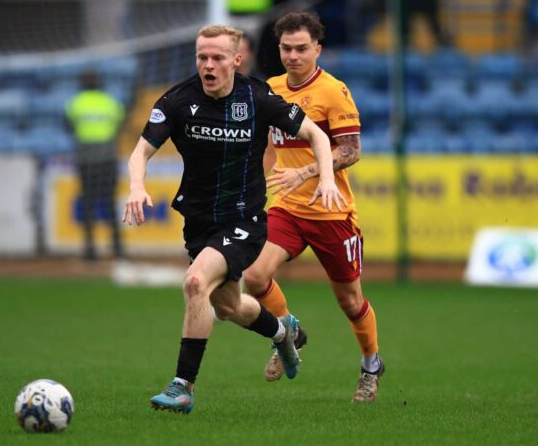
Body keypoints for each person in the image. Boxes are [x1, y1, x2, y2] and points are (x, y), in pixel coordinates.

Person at [122, 25, 345, 414]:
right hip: (198, 221)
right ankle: (283, 330)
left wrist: (325, 178)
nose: (208, 65)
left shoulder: (258, 97)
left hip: (244, 219)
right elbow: (139, 152)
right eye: (202, 58)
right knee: (228, 307)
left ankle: (182, 386)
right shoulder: (178, 100)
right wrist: (137, 186)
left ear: (236, 60)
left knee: (195, 283)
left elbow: (318, 137)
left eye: (217, 58)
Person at [242, 12, 384, 403]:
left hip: (331, 212)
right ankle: (288, 332)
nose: (292, 55)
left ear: (317, 49)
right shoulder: (270, 89)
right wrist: (254, 185)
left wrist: (306, 172)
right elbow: (269, 147)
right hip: (287, 209)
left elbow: (351, 150)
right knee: (253, 277)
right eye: (286, 48)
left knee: (350, 301)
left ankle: (371, 363)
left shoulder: (333, 92)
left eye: (301, 48)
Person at [65, 70, 125, 260]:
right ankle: (118, 249)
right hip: (107, 159)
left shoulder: (75, 103)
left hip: (86, 161)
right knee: (110, 204)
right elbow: (119, 126)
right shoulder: (111, 102)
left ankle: (90, 250)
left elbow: (68, 126)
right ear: (101, 83)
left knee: (88, 204)